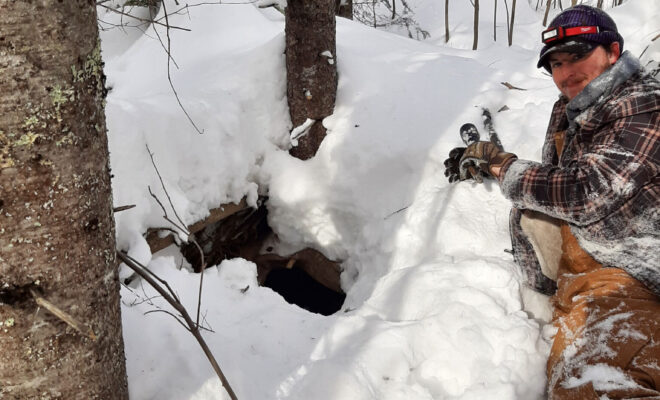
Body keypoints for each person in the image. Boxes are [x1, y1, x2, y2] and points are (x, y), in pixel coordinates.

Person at [444, 5, 660, 399]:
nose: (565, 72)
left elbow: (588, 191)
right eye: (556, 63)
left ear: (612, 51)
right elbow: (556, 180)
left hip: (633, 275)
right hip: (586, 265)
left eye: (578, 56)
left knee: (590, 386)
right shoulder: (570, 107)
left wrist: (503, 166)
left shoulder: (644, 106)